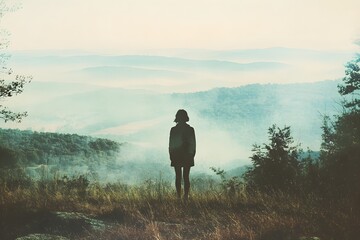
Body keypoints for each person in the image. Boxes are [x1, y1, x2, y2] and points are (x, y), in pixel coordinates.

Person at [169, 109, 196, 202]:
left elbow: (171, 144)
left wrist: (171, 156)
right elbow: (193, 144)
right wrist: (192, 155)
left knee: (178, 177)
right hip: (187, 156)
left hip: (176, 156)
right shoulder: (190, 129)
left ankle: (179, 197)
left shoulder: (173, 130)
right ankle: (185, 197)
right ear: (186, 117)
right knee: (186, 177)